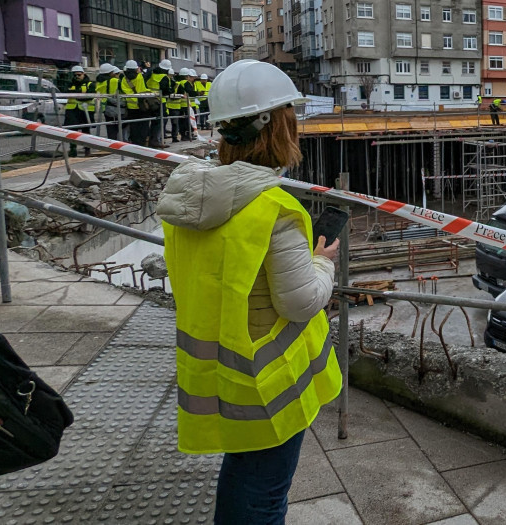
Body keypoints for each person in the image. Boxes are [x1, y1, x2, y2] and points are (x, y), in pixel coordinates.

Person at [155, 59, 341, 524]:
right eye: (291, 121)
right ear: (276, 126)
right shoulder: (273, 208)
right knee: (264, 492)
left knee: (243, 471)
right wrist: (323, 262)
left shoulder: (193, 196)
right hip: (266, 381)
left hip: (217, 367)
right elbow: (299, 302)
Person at [62, 66, 94, 157]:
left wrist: (75, 93)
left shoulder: (90, 84)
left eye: (79, 75)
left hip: (85, 110)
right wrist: (80, 93)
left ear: (83, 74)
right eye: (75, 75)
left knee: (86, 131)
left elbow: (90, 96)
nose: (77, 77)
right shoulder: (70, 84)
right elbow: (65, 93)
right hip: (72, 110)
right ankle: (72, 149)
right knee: (72, 130)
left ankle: (87, 150)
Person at [119, 60, 152, 146]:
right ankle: (142, 143)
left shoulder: (124, 79)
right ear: (136, 69)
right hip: (142, 105)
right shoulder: (140, 77)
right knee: (144, 125)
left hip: (131, 106)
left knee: (134, 126)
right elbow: (148, 73)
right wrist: (147, 67)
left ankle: (135, 143)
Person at [146, 59, 174, 148]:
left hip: (150, 101)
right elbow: (165, 91)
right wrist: (172, 90)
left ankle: (152, 140)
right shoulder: (164, 77)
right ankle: (156, 141)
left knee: (154, 121)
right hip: (160, 102)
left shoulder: (152, 74)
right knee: (159, 122)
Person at [95, 64, 123, 141]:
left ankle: (111, 142)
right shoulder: (114, 80)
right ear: (110, 72)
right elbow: (124, 89)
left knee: (110, 126)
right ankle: (118, 142)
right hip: (114, 105)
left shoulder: (99, 82)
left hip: (104, 106)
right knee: (119, 125)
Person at [168, 68, 193, 142]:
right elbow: (187, 92)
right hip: (178, 105)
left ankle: (177, 136)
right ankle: (180, 136)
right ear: (186, 76)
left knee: (177, 122)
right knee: (181, 122)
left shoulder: (176, 83)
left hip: (175, 105)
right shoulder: (183, 83)